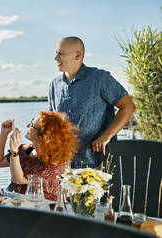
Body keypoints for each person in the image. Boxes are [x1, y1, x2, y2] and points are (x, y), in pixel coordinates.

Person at [49, 36, 136, 168]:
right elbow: (51, 123)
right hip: (63, 166)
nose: (55, 58)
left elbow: (128, 106)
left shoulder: (100, 78)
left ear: (77, 55)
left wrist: (106, 136)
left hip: (97, 165)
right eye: (56, 53)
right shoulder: (54, 85)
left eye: (60, 54)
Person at [0, 111, 78, 201]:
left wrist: (14, 151)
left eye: (32, 125)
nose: (27, 125)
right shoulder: (26, 150)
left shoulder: (53, 164)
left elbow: (19, 180)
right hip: (22, 204)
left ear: (43, 136)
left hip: (45, 208)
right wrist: (3, 133)